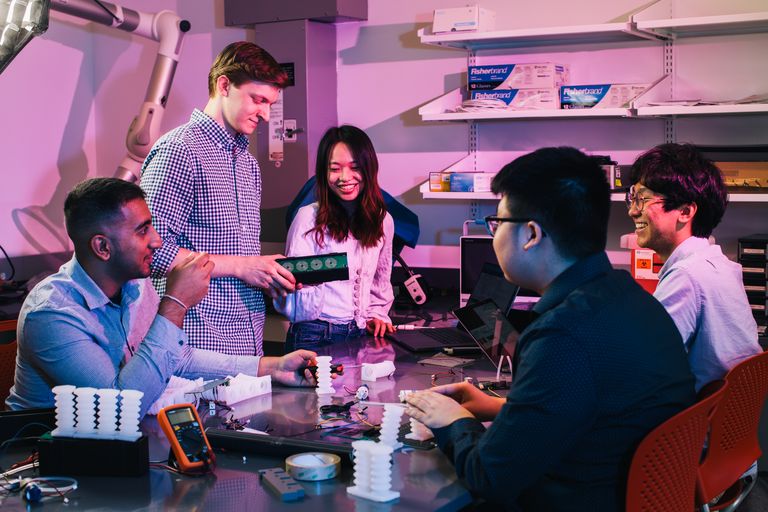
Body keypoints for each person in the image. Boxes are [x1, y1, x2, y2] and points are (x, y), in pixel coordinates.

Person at [404, 147, 696, 511]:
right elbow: (584, 407)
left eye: (497, 223)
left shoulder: (562, 335)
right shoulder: (629, 299)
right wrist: (498, 407)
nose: (494, 237)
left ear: (530, 235)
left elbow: (491, 477)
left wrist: (454, 421)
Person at [6, 178, 318, 419]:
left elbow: (179, 359)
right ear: (102, 247)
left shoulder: (136, 286)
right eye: (143, 230)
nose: (156, 240)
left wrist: (270, 367)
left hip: (107, 452)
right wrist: (176, 303)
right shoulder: (51, 314)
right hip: (40, 468)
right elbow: (121, 407)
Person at [141, 41, 295, 357]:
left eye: (270, 104)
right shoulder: (179, 150)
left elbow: (242, 259)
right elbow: (150, 253)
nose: (266, 115)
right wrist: (241, 266)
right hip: (197, 341)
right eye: (258, 100)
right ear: (224, 85)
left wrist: (269, 276)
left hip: (246, 341)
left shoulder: (248, 162)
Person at [627, 143, 761, 392]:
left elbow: (644, 363)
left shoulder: (687, 276)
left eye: (643, 199)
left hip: (691, 425)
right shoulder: (717, 264)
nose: (633, 211)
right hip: (721, 421)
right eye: (632, 198)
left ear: (685, 211)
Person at [273, 126, 395, 350]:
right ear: (323, 172)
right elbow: (294, 300)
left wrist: (376, 314)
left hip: (361, 333)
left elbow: (380, 281)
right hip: (314, 333)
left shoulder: (382, 220)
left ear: (369, 169)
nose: (344, 178)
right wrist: (310, 283)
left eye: (355, 167)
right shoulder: (308, 218)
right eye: (335, 169)